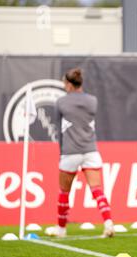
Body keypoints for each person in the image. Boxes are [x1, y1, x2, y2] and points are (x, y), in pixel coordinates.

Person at [55, 68, 114, 238]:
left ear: (69, 84)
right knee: (97, 190)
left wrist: (61, 152)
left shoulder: (61, 102)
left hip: (70, 151)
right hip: (90, 150)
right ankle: (108, 223)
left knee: (64, 192)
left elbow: (59, 130)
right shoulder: (92, 100)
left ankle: (61, 229)